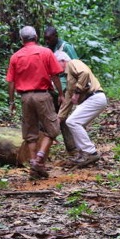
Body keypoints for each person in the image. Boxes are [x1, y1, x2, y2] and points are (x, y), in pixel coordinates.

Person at [6, 26, 64, 179]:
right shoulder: (46, 52)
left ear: (22, 39)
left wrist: (11, 101)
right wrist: (61, 93)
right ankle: (39, 158)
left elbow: (11, 82)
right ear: (36, 37)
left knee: (30, 133)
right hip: (42, 95)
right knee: (52, 128)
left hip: (25, 98)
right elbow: (55, 75)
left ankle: (34, 165)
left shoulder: (15, 56)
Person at [54, 51, 108, 168]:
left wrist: (77, 92)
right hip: (93, 99)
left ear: (62, 61)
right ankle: (82, 153)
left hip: (95, 96)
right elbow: (68, 100)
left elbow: (85, 73)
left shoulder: (73, 63)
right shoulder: (69, 77)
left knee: (73, 122)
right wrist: (58, 119)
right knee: (76, 124)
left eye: (56, 64)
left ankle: (90, 152)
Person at [43, 26, 78, 156]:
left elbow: (76, 65)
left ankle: (73, 149)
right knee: (50, 117)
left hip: (64, 86)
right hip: (51, 88)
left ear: (55, 36)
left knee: (61, 118)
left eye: (49, 39)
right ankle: (43, 150)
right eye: (45, 39)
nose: (47, 41)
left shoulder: (66, 47)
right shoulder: (46, 49)